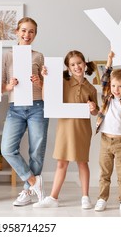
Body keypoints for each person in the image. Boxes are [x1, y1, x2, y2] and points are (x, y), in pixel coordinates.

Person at [34, 50, 99, 209]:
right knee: (61, 163)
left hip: (82, 129)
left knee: (82, 162)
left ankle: (85, 197)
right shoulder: (62, 82)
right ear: (68, 68)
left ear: (84, 64)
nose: (77, 66)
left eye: (79, 63)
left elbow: (96, 112)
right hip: (65, 128)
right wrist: (46, 79)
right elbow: (46, 98)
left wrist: (93, 107)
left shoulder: (91, 88)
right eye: (72, 64)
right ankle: (53, 198)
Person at [0, 17, 48, 206]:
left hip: (37, 107)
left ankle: (27, 192)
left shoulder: (39, 56)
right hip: (16, 108)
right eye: (24, 30)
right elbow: (0, 86)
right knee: (7, 149)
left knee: (36, 151)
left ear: (35, 35)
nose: (27, 35)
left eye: (31, 32)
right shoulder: (7, 55)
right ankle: (34, 182)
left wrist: (40, 82)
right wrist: (9, 86)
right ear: (17, 31)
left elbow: (46, 88)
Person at [94, 51, 121, 213]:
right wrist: (109, 61)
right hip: (106, 141)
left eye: (120, 86)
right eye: (114, 86)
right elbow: (105, 80)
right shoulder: (107, 98)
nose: (116, 89)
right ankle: (102, 199)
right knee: (104, 173)